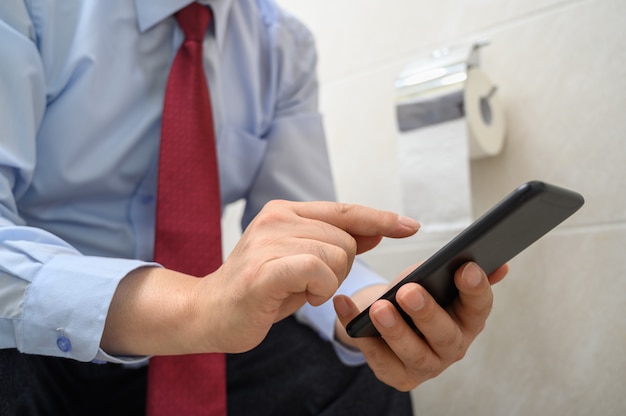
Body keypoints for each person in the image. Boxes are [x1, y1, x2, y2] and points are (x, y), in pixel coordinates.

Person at [0, 0, 508, 415]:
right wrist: (196, 306)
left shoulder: (282, 44)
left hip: (200, 332)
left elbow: (305, 231)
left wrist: (377, 311)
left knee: (366, 381)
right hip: (45, 338)